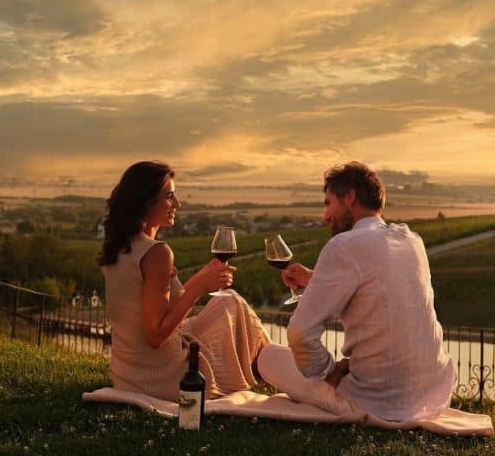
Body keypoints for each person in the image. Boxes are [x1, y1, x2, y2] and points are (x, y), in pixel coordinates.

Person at [256, 161, 455, 422]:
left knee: (268, 356)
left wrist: (330, 372)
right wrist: (314, 280)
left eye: (328, 203)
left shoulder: (343, 245)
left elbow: (300, 332)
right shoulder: (411, 240)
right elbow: (380, 294)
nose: (325, 215)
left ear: (349, 197)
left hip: (376, 402)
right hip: (434, 393)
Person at [99, 161, 268, 400]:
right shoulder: (156, 253)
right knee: (232, 303)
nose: (177, 203)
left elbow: (153, 311)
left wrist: (199, 278)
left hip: (127, 375)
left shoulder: (122, 248)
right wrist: (200, 286)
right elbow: (156, 335)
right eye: (169, 196)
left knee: (228, 303)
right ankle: (287, 372)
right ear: (146, 202)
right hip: (163, 378)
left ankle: (280, 368)